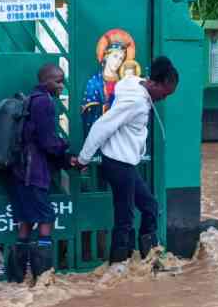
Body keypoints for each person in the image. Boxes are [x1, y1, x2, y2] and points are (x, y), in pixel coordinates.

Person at [76, 56, 179, 269]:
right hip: (117, 163)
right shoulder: (135, 102)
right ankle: (118, 265)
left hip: (125, 163)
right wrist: (83, 158)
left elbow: (128, 82)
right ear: (155, 83)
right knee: (125, 215)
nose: (164, 99)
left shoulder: (133, 83)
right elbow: (101, 126)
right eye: (164, 93)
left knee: (150, 206)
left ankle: (148, 258)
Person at [7, 63, 76, 284]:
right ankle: (43, 277)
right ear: (45, 81)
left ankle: (16, 279)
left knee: (25, 221)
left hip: (18, 171)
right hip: (33, 172)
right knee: (46, 218)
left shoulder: (29, 100)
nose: (61, 85)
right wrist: (65, 147)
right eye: (58, 81)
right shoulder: (44, 102)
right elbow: (48, 143)